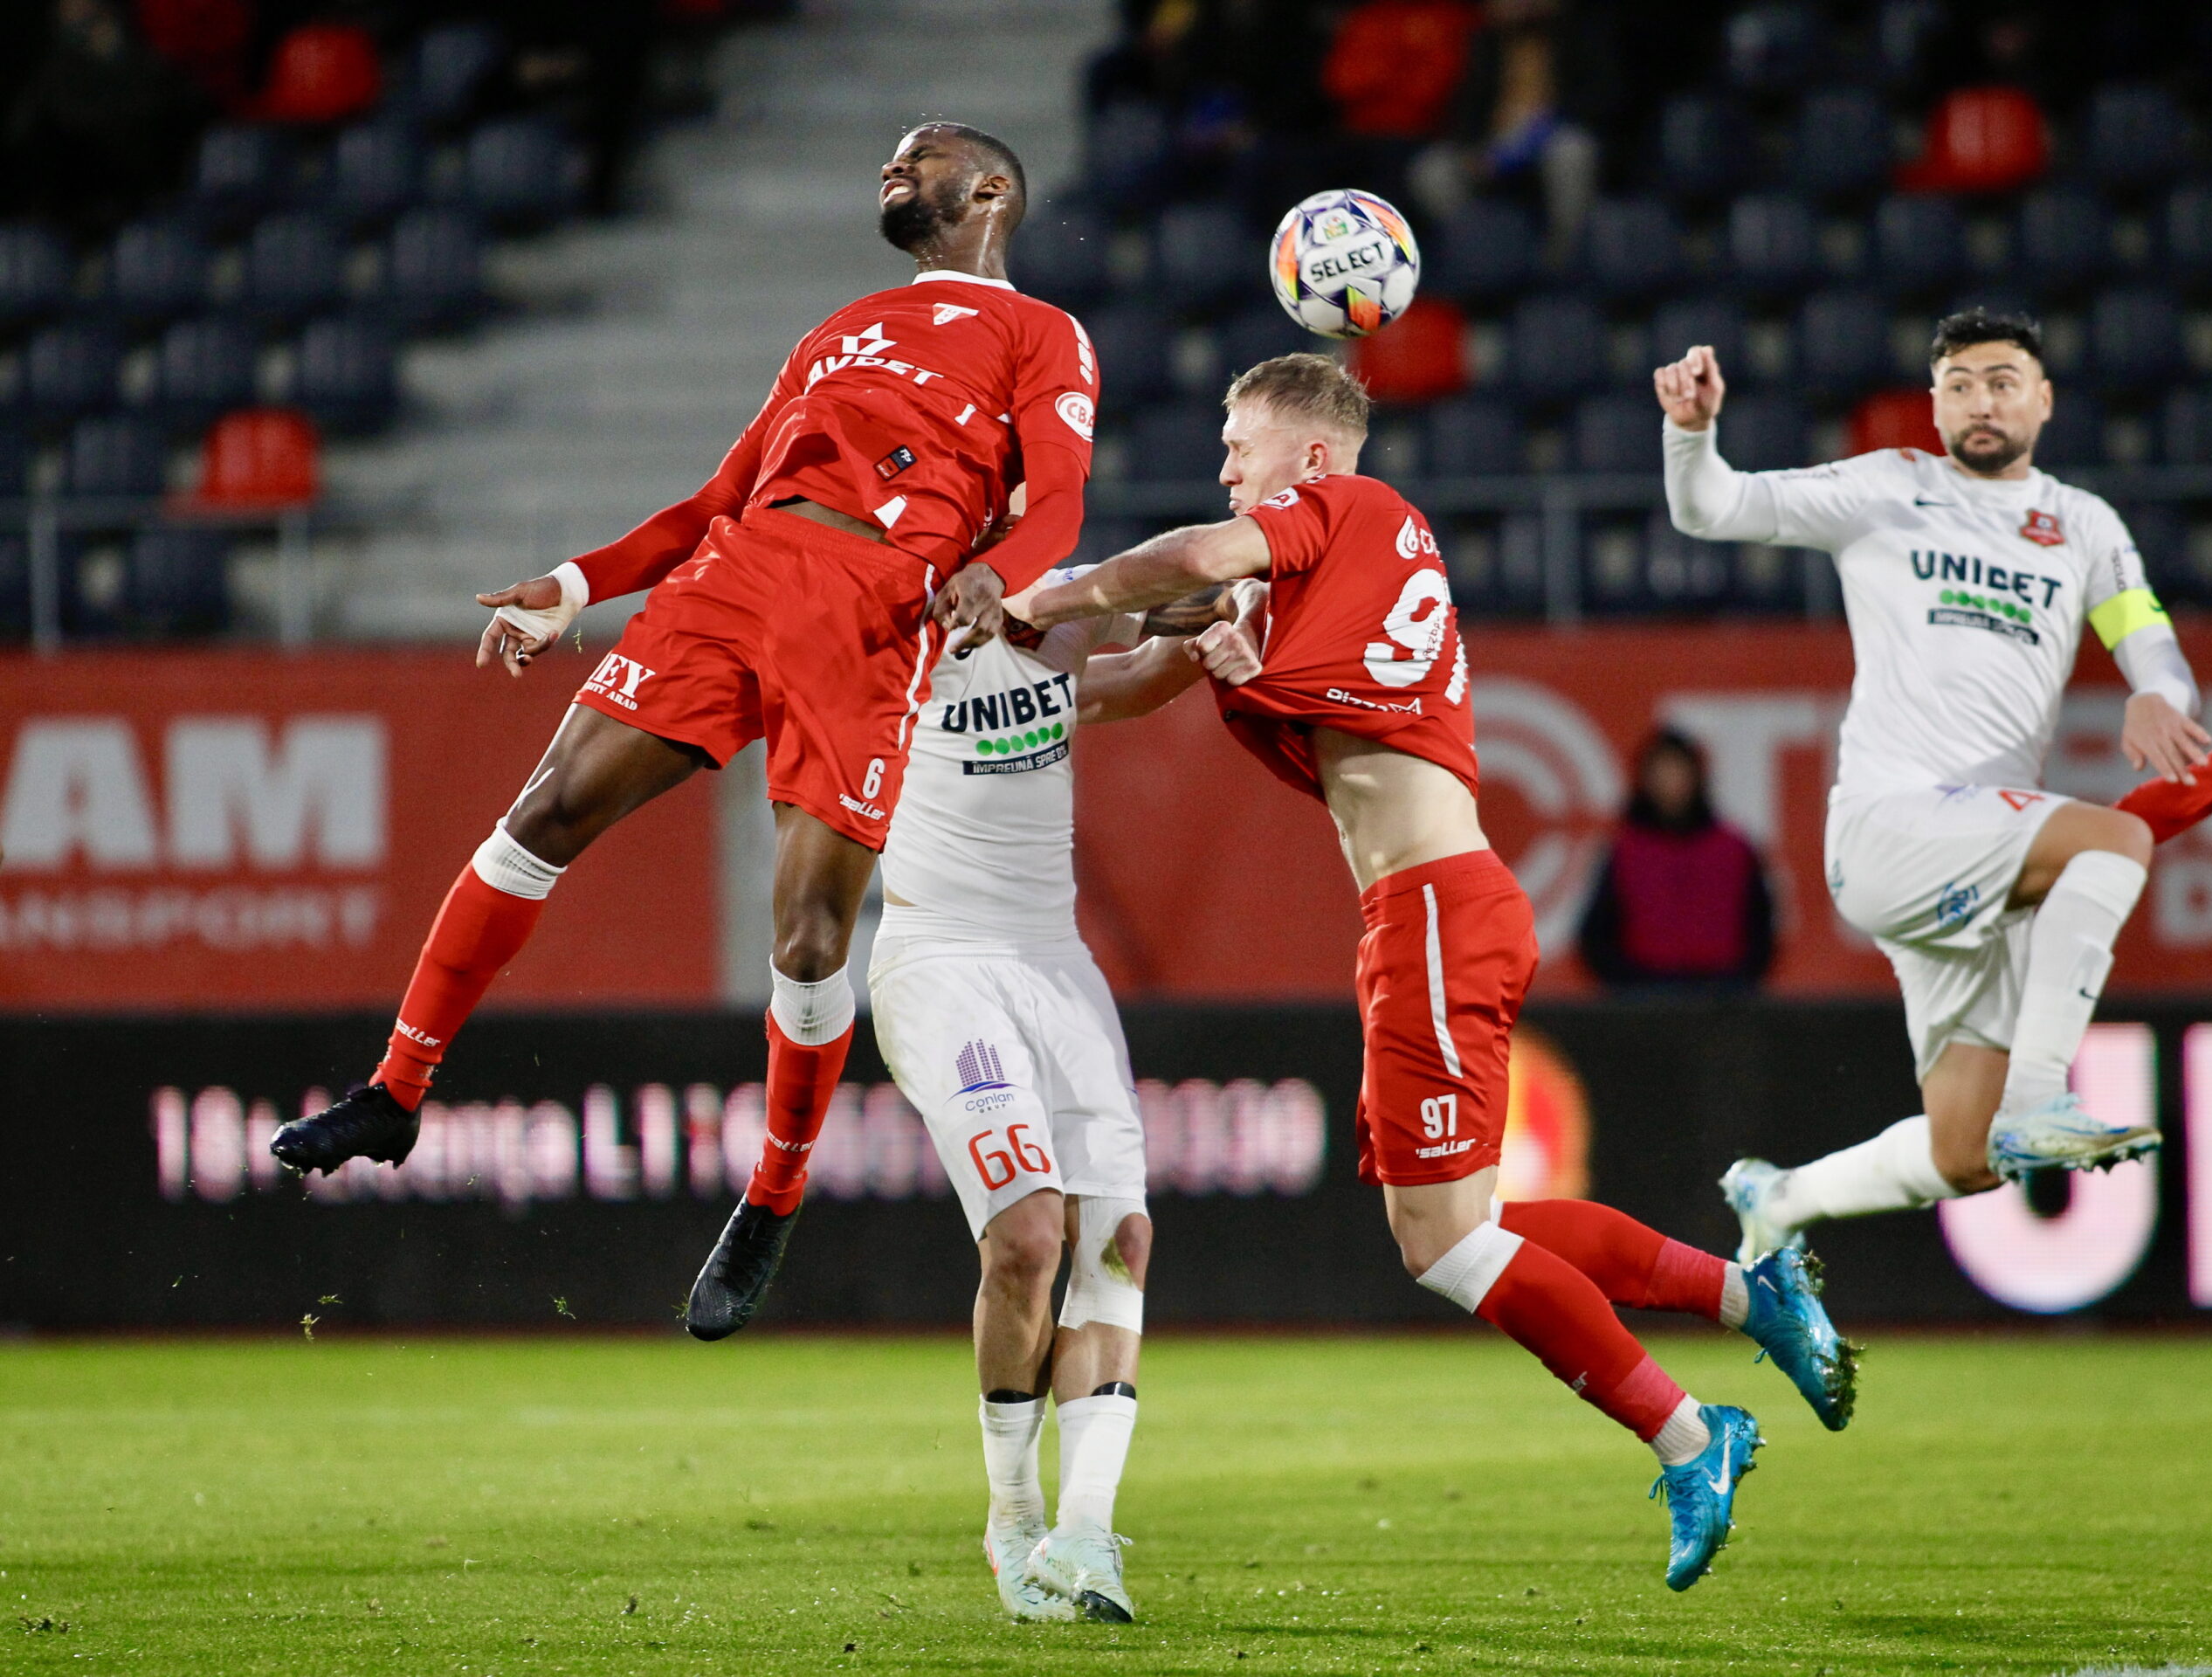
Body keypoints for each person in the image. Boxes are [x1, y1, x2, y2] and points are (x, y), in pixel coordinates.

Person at [1018, 353, 1857, 1592]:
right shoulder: (1304, 579)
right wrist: (987, 685)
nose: (1224, 466)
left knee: (1450, 1249)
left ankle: (1692, 1433)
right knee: (1469, 1231)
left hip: (1433, 908)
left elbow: (1191, 559)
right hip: (1424, 910)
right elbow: (1139, 676)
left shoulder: (1354, 511)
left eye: (1238, 443)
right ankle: (1750, 1297)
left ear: (1310, 455)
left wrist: (1047, 594)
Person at [272, 123, 1103, 1338]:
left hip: (879, 606)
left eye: (916, 157)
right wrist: (572, 583)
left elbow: (1063, 502)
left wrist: (999, 573)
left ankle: (771, 1196)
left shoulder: (1043, 333)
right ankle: (396, 1091)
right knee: (541, 814)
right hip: (736, 572)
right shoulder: (837, 327)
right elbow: (720, 497)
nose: (889, 166)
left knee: (814, 934)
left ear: (986, 189)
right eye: (885, 154)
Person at [1652, 307, 2212, 1262]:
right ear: (1933, 404)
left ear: (2043, 399)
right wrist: (1691, 431)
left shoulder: (2083, 526)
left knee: (1966, 1158)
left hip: (1976, 863)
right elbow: (1711, 508)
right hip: (1890, 823)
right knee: (2113, 840)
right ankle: (2043, 1099)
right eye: (1958, 384)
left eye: (2001, 381)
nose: (1979, 401)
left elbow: (2147, 640)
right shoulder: (1886, 489)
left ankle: (1781, 1197)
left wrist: (2154, 697)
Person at [866, 553, 1261, 1624]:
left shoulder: (1070, 605)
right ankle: (1011, 1512)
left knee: (1120, 1241)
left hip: (1054, 961)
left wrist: (1225, 616)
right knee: (1029, 1234)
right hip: (939, 962)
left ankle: (1086, 1537)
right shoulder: (904, 624)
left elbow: (1133, 672)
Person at [1578, 728, 1774, 991]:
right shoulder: (1624, 850)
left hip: (1723, 997)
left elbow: (1761, 925)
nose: (1671, 783)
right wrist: (1628, 987)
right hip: (1646, 999)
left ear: (1697, 777)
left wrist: (1741, 982)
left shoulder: (1734, 848)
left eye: (1678, 771)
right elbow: (1595, 933)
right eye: (1661, 772)